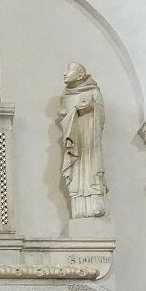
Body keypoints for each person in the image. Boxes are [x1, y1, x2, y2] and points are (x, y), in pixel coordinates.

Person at [57, 62, 108, 218]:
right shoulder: (66, 96)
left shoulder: (93, 91)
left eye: (69, 70)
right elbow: (63, 118)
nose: (64, 73)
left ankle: (95, 205)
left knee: (91, 169)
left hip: (90, 140)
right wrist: (68, 114)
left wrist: (92, 107)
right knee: (76, 172)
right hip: (75, 141)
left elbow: (101, 116)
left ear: (79, 75)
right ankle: (79, 208)